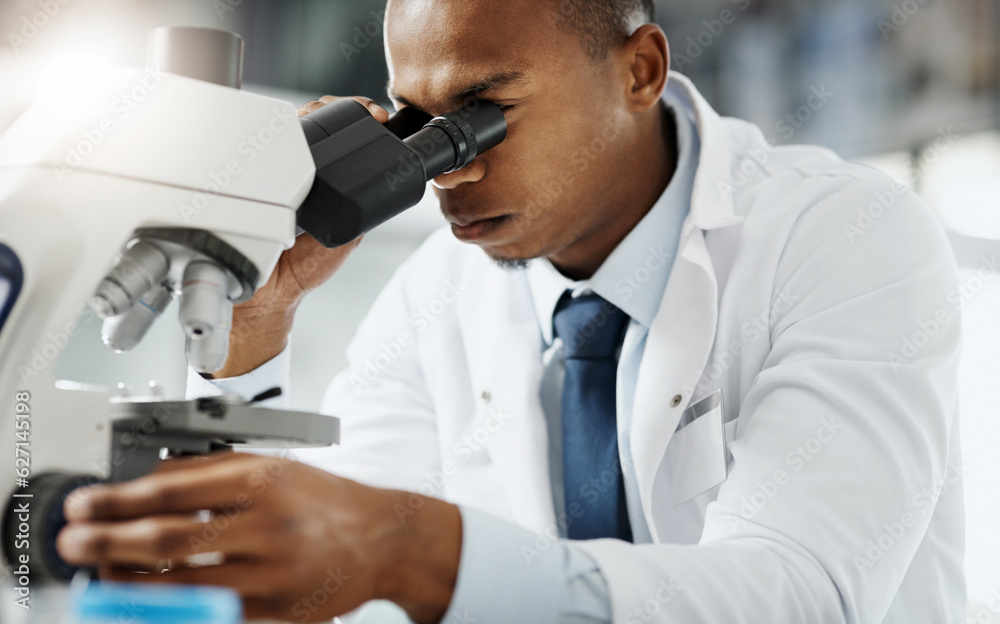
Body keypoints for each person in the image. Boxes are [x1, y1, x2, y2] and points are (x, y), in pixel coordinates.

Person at [55, 0, 966, 622]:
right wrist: (256, 332)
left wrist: (420, 550)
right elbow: (309, 581)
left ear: (640, 70)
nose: (449, 165)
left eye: (484, 111)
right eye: (416, 126)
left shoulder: (847, 237)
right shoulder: (434, 298)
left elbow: (800, 594)